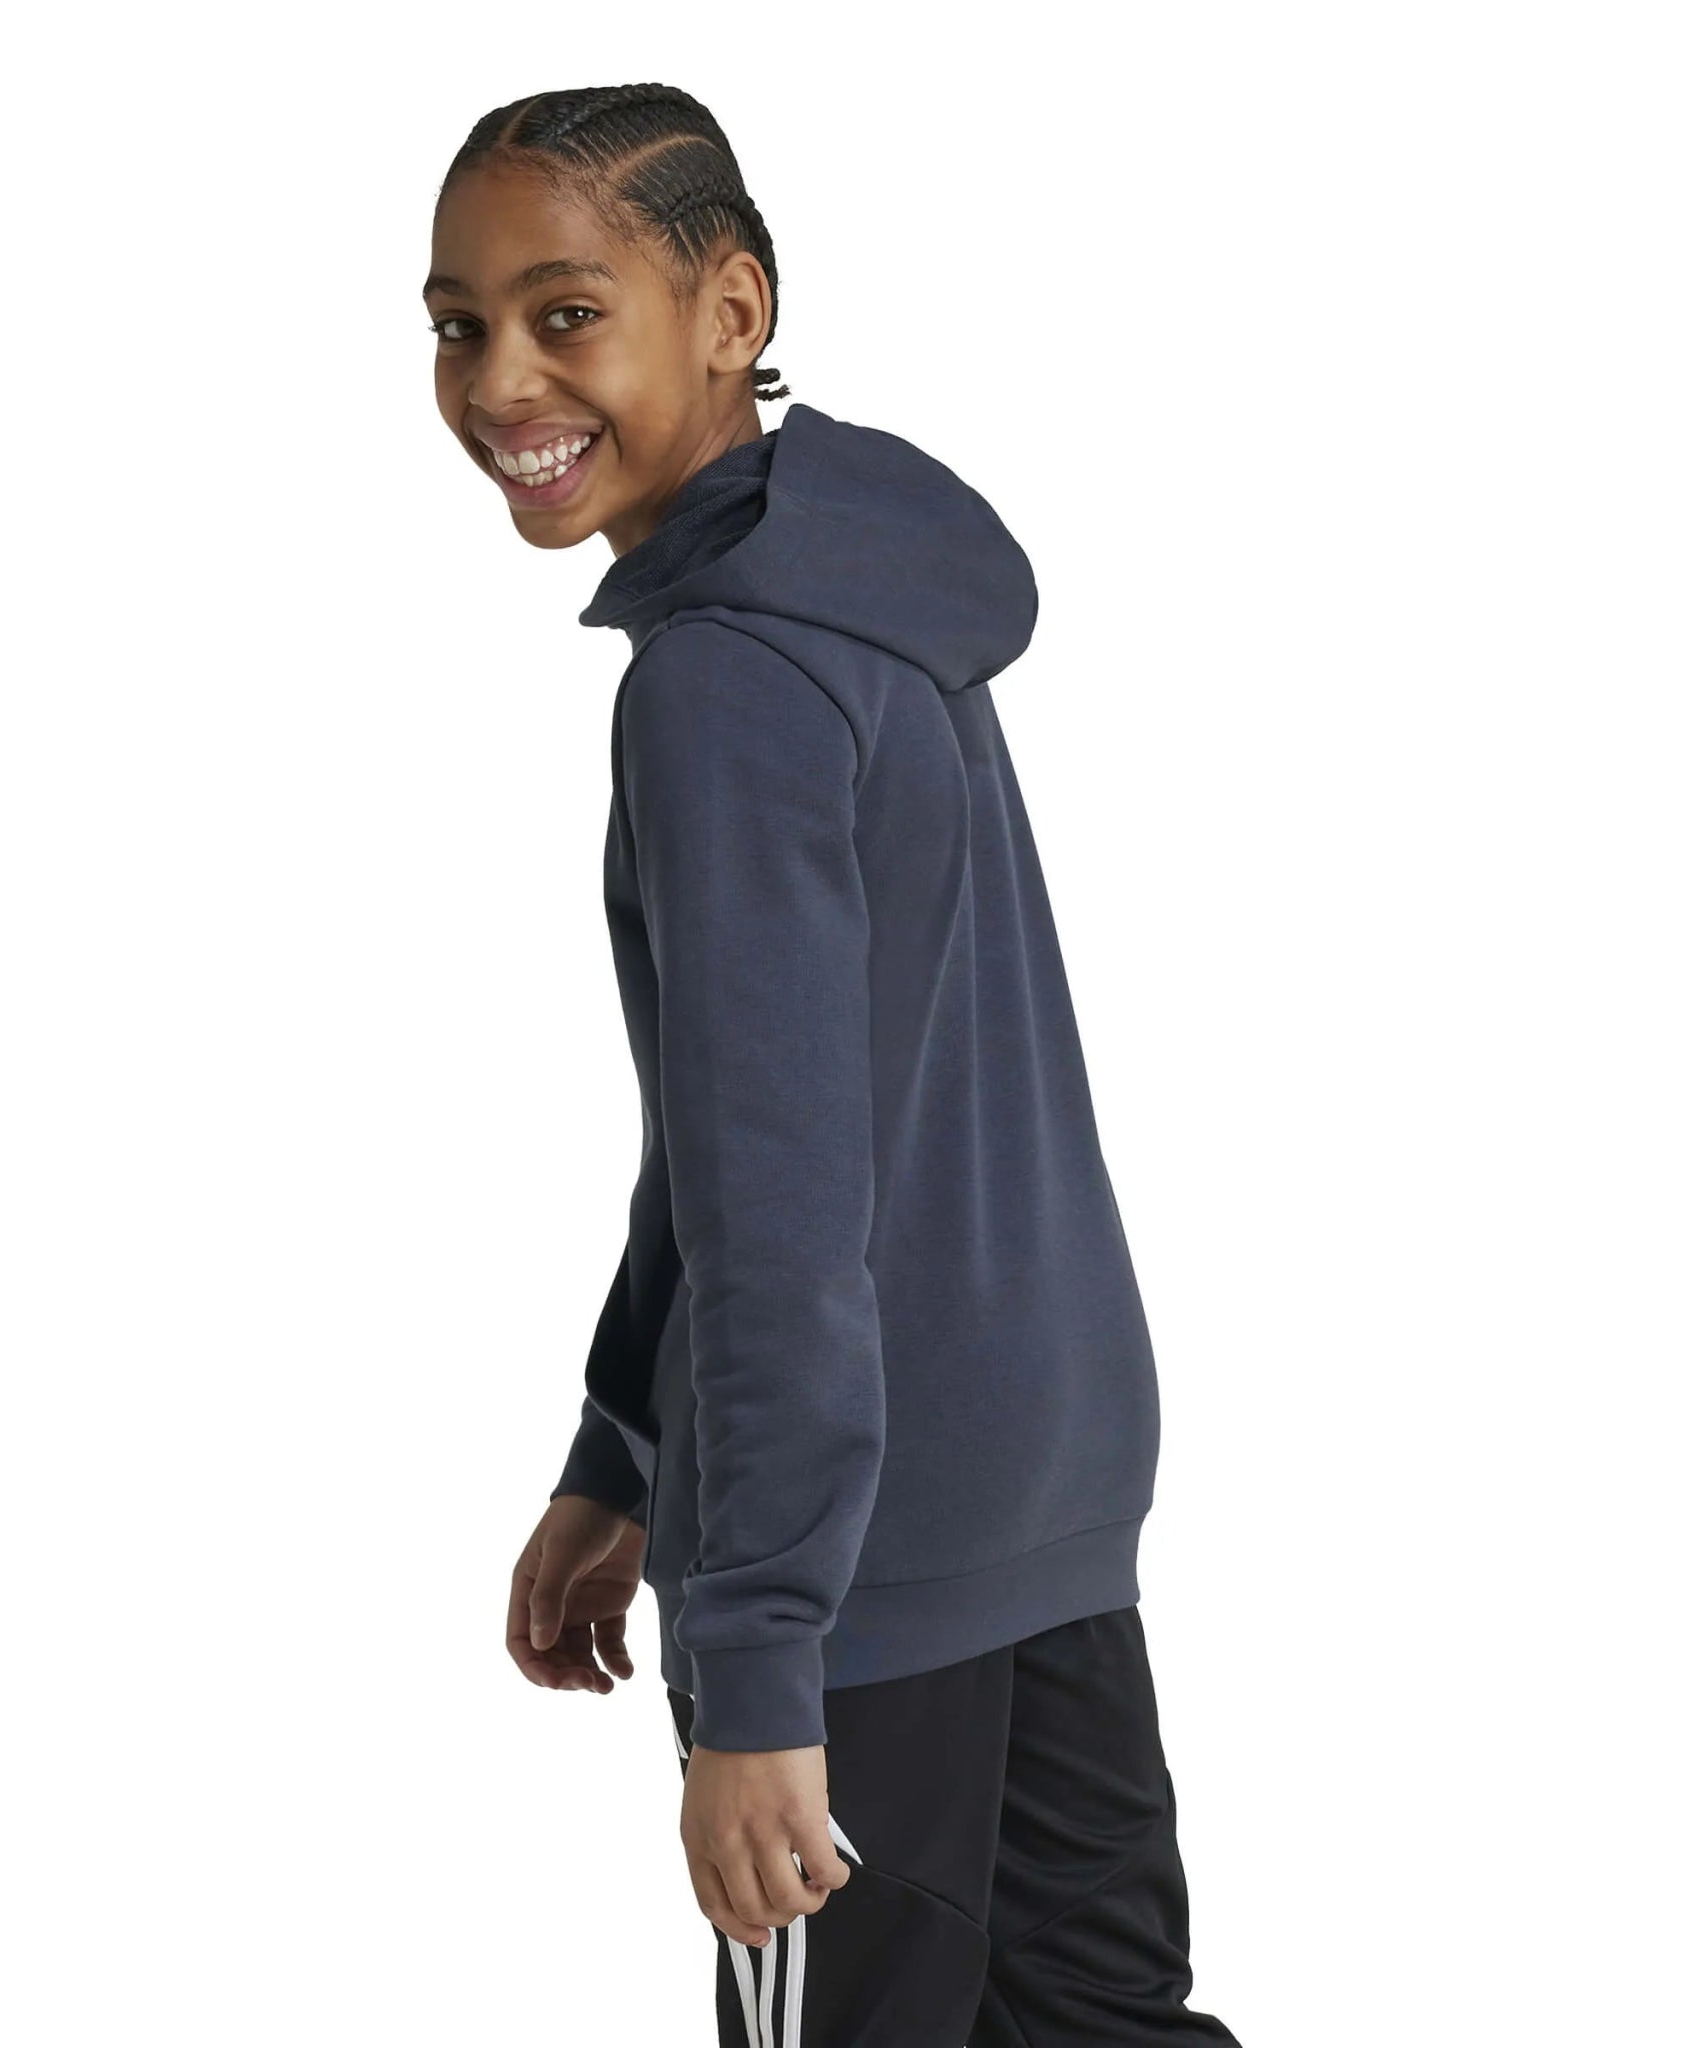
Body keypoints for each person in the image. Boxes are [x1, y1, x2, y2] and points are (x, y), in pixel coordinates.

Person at [428, 82, 1239, 2046]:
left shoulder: (723, 681)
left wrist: (765, 1664)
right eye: (457, 324)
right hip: (1038, 1461)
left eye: (565, 312)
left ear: (731, 309)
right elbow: (763, 1131)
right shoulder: (867, 593)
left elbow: (780, 1215)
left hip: (861, 1556)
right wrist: (623, 1451)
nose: (500, 380)